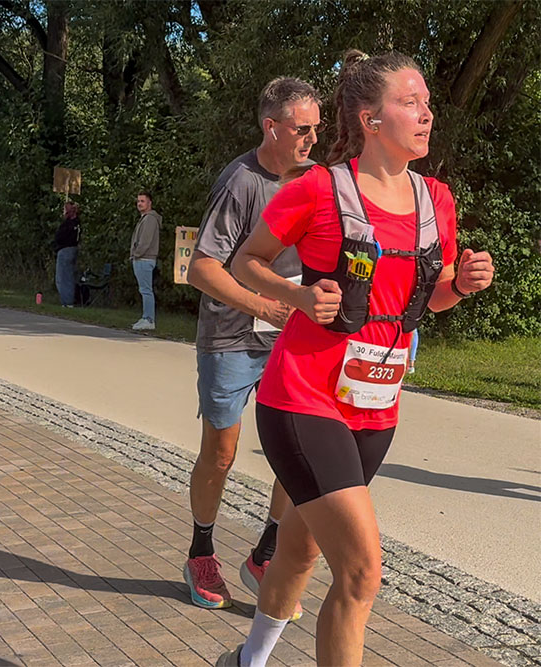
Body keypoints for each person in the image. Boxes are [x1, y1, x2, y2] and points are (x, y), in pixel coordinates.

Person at [217, 50, 494, 667]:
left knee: (301, 549)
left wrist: (464, 284)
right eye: (410, 102)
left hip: (375, 403)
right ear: (370, 119)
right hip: (302, 396)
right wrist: (296, 293)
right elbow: (245, 261)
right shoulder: (319, 188)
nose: (426, 114)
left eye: (426, 103)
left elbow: (435, 295)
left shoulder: (436, 200)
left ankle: (247, 660)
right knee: (362, 572)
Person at [183, 77, 322, 616]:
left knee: (296, 449)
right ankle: (201, 552)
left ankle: (265, 553)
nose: (312, 138)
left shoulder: (315, 181)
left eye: (316, 128)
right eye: (302, 129)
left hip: (291, 337)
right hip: (231, 337)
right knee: (221, 452)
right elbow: (201, 267)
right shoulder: (240, 182)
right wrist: (262, 306)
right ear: (272, 127)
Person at [130, 192, 161, 330]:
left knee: (146, 290)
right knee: (144, 290)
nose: (139, 203)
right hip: (142, 258)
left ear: (149, 203)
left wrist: (136, 254)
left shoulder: (149, 219)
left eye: (143, 201)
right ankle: (146, 318)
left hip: (144, 258)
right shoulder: (145, 219)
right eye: (138, 201)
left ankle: (148, 319)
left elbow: (145, 242)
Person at [54, 201, 81, 307]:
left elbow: (60, 236)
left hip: (65, 250)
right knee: (68, 276)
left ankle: (67, 301)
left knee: (63, 277)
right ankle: (68, 300)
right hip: (73, 249)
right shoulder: (77, 223)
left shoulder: (69, 224)